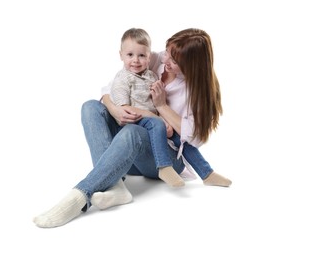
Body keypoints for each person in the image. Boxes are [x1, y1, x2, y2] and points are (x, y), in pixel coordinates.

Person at [33, 28, 232, 228]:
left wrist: (161, 106)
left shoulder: (196, 91)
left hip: (166, 156)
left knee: (133, 132)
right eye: (167, 53)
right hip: (132, 152)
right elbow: (109, 89)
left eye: (174, 60)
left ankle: (79, 196)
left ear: (192, 67)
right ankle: (116, 186)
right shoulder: (153, 60)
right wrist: (116, 109)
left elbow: (196, 138)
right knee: (90, 107)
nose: (165, 60)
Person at [110, 28, 184, 188]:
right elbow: (124, 108)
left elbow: (157, 105)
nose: (136, 60)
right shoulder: (123, 78)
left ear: (149, 57)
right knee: (156, 123)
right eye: (130, 55)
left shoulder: (151, 76)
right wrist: (157, 118)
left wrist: (163, 118)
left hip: (152, 136)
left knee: (180, 140)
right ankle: (164, 166)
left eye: (142, 55)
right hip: (134, 122)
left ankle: (206, 172)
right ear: (121, 55)